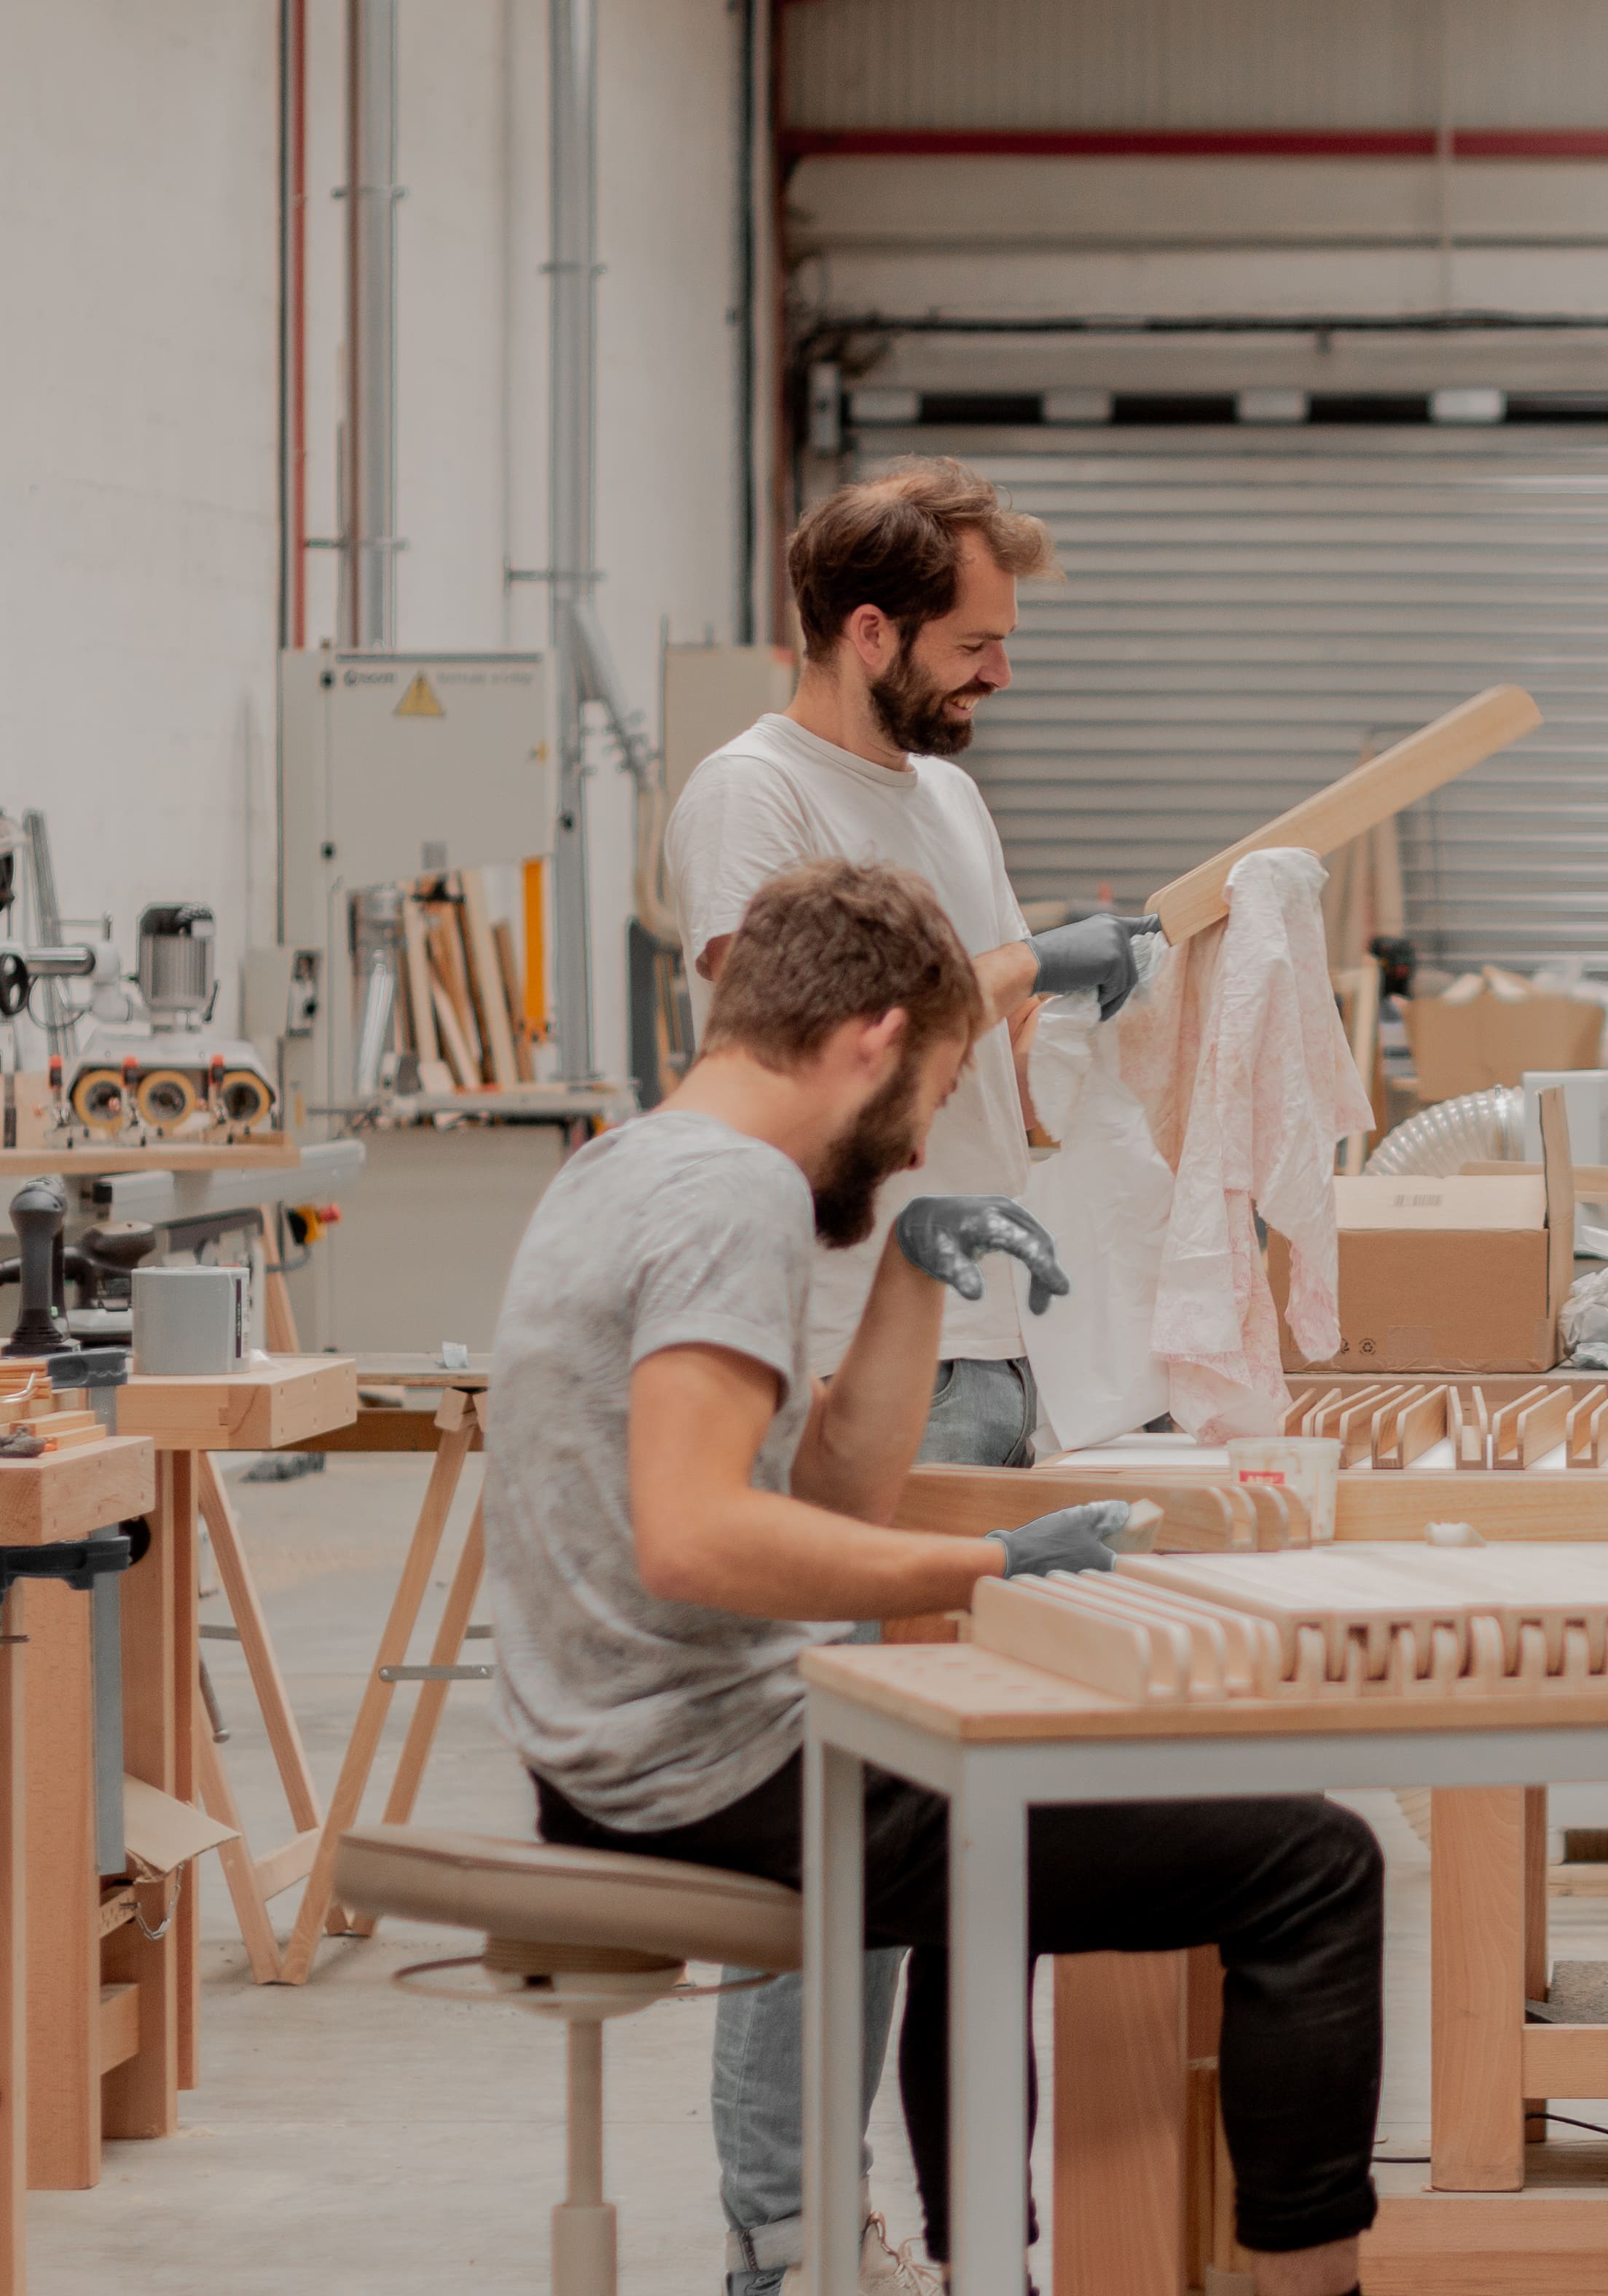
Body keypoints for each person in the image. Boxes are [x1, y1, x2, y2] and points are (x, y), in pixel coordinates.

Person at [485, 858, 1381, 2296]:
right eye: (935, 1100)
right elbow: (696, 1536)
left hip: (616, 1753)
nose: (915, 1150)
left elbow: (829, 1492)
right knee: (1315, 1863)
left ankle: (991, 2273)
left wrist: (910, 1277)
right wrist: (987, 1562)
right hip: (706, 1784)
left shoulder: (627, 1164)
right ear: (875, 1043)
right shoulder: (734, 1200)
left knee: (1003, 1807)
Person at [664, 457, 1161, 2292]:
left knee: (969, 1846)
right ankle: (783, 2248)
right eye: (974, 641)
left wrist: (1065, 1040)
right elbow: (801, 1048)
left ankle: (976, 2240)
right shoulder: (756, 795)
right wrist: (1028, 966)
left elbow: (974, 1067)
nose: (998, 677)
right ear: (867, 629)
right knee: (835, 1850)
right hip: (845, 1352)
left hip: (989, 1350)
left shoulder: (942, 794)